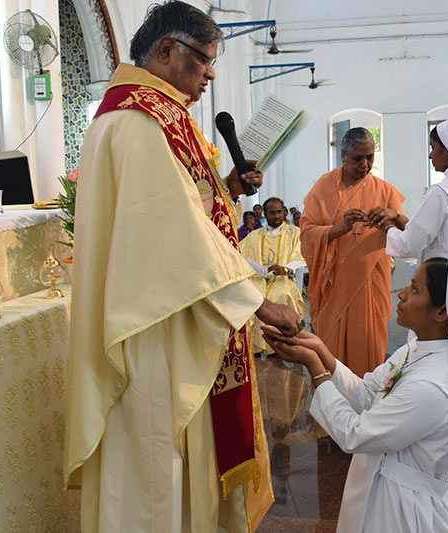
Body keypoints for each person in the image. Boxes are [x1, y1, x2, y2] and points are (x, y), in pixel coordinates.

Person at [64, 3, 302, 531]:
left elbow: (185, 210)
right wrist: (258, 304)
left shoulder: (146, 113)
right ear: (166, 50)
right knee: (156, 462)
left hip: (177, 307)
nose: (209, 76)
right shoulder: (140, 119)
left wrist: (229, 190)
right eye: (203, 62)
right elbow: (177, 234)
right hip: (157, 322)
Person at [261, 258, 448, 532]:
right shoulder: (417, 349)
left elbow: (355, 434)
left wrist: (314, 367)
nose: (400, 293)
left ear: (441, 312)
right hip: (383, 485)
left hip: (408, 509)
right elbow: (367, 394)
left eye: (414, 289)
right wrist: (320, 350)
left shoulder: (433, 388)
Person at [300, 127, 405, 376]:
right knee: (330, 353)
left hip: (370, 283)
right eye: (358, 158)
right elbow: (306, 234)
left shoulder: (385, 190)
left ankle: (366, 409)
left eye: (370, 157)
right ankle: (332, 407)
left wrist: (394, 217)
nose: (366, 165)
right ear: (343, 157)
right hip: (333, 285)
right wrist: (339, 229)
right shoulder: (323, 188)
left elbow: (406, 234)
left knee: (369, 346)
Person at [369, 118, 448, 280]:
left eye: (433, 147)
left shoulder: (440, 192)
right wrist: (397, 216)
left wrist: (387, 226)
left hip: (445, 281)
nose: (430, 155)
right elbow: (437, 235)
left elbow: (409, 244)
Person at [241, 197, 306, 355]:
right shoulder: (254, 236)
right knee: (250, 298)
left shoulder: (294, 233)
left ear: (284, 212)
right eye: (272, 213)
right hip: (258, 279)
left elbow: (302, 255)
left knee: (282, 295)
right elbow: (240, 254)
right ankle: (255, 348)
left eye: (279, 212)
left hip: (283, 280)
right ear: (264, 214)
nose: (276, 216)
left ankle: (281, 346)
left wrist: (287, 268)